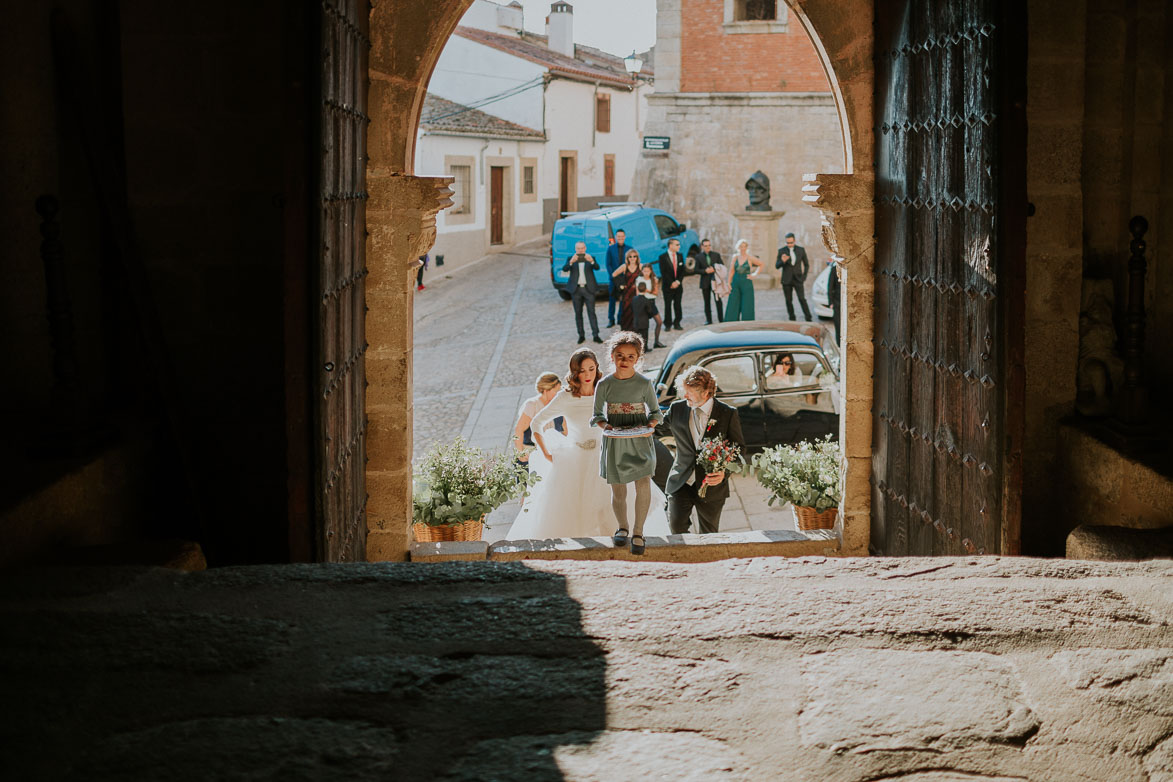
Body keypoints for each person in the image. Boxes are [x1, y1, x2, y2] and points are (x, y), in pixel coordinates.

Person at [510, 349, 669, 541]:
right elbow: (536, 423)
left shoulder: (607, 389)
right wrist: (546, 453)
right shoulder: (565, 397)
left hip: (607, 454)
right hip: (576, 460)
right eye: (582, 370)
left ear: (597, 369)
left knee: (614, 511)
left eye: (591, 369)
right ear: (574, 372)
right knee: (575, 519)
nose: (587, 375)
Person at [591, 331, 666, 555]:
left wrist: (649, 427)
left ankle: (639, 531)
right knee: (618, 489)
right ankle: (622, 528)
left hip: (640, 441)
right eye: (620, 355)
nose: (625, 361)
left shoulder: (645, 383)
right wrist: (607, 427)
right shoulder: (604, 384)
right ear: (612, 356)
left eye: (630, 356)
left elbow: (656, 413)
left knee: (643, 484)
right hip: (616, 443)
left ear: (638, 359)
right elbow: (597, 415)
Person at [665, 366, 745, 535]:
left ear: (706, 392)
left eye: (689, 392)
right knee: (676, 528)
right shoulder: (676, 409)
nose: (684, 395)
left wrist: (724, 472)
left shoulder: (727, 413)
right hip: (681, 482)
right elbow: (656, 428)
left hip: (712, 487)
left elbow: (738, 449)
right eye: (683, 391)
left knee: (709, 534)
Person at [562, 241, 603, 344]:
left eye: (582, 248)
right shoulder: (571, 258)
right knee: (578, 313)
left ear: (585, 248)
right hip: (576, 290)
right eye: (578, 248)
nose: (580, 250)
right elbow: (565, 269)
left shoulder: (590, 257)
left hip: (589, 289)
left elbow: (597, 268)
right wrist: (571, 262)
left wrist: (592, 261)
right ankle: (581, 335)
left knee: (592, 312)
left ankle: (596, 335)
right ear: (575, 249)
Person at [776, 232, 813, 322]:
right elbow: (777, 266)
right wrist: (782, 261)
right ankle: (792, 318)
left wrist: (804, 277)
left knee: (802, 299)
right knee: (789, 301)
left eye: (791, 242)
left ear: (794, 241)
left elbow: (806, 264)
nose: (789, 245)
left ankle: (808, 318)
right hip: (786, 280)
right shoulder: (782, 251)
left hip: (798, 279)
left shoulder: (801, 250)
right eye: (787, 243)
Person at [723, 239, 762, 321]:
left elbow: (761, 264)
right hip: (735, 281)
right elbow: (731, 271)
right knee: (733, 302)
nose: (743, 248)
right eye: (741, 246)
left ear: (747, 247)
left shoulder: (750, 258)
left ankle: (747, 324)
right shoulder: (735, 257)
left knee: (747, 304)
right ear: (738, 247)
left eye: (744, 246)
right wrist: (728, 283)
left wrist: (755, 274)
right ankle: (731, 323)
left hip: (746, 282)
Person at [630, 263, 667, 350]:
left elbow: (655, 293)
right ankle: (642, 345)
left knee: (659, 322)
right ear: (642, 271)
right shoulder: (639, 279)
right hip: (642, 302)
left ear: (651, 271)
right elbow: (637, 293)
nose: (646, 273)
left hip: (651, 302)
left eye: (648, 271)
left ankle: (656, 341)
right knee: (643, 324)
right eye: (644, 271)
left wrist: (647, 290)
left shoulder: (654, 279)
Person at [657, 238, 686, 331]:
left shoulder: (680, 256)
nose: (679, 246)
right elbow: (663, 272)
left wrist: (678, 282)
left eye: (679, 244)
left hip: (678, 286)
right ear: (670, 245)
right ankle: (668, 324)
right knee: (668, 305)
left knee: (678, 304)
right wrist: (671, 283)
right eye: (677, 244)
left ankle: (677, 322)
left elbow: (682, 271)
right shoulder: (662, 257)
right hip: (667, 286)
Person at [694, 238, 724, 324]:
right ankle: (709, 320)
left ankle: (721, 320)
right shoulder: (698, 257)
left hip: (716, 281)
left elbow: (722, 266)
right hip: (705, 282)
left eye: (709, 245)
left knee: (718, 301)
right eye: (706, 246)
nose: (708, 247)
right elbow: (696, 270)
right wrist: (705, 271)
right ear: (702, 246)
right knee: (706, 302)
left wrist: (714, 269)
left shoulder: (716, 255)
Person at [604, 229, 629, 328]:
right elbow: (608, 264)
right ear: (616, 237)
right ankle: (611, 319)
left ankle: (620, 318)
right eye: (618, 236)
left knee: (623, 300)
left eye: (622, 236)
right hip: (613, 279)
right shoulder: (610, 249)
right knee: (612, 300)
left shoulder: (629, 249)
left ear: (625, 237)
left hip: (624, 279)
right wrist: (612, 275)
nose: (620, 238)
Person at [612, 248, 641, 332]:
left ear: (637, 257)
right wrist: (620, 285)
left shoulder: (640, 266)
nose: (632, 258)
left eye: (634, 256)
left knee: (636, 310)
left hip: (636, 293)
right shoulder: (625, 266)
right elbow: (614, 274)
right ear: (627, 258)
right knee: (626, 311)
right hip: (627, 293)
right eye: (630, 257)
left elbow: (648, 275)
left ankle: (635, 329)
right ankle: (626, 330)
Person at [826, 259, 841, 344]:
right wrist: (830, 302)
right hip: (837, 302)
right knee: (838, 323)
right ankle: (839, 343)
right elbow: (830, 286)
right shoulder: (834, 269)